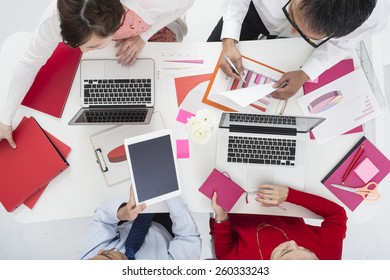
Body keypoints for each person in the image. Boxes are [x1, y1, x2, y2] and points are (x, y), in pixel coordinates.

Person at [0, 0, 193, 148]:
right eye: (76, 44)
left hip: (150, 27)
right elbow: (30, 62)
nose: (82, 51)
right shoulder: (56, 17)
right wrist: (5, 119)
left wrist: (143, 36)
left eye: (93, 46)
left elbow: (186, 3)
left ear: (117, 22)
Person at [207, 0, 389, 100]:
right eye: (292, 13)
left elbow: (344, 43)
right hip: (254, 11)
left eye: (306, 33)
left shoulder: (377, 17)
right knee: (209, 69)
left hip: (299, 46)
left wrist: (305, 74)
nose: (292, 30)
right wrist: (229, 41)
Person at [210, 184, 347, 260]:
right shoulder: (329, 258)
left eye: (285, 252)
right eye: (305, 249)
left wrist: (221, 217)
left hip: (234, 205)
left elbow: (224, 255)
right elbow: (337, 214)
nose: (293, 243)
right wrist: (289, 194)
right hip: (277, 191)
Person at [79, 187, 201, 260]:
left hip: (132, 214)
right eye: (115, 256)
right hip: (170, 225)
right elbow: (188, 238)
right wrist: (168, 192)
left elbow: (100, 218)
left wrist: (123, 213)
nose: (115, 250)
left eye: (107, 254)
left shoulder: (87, 261)